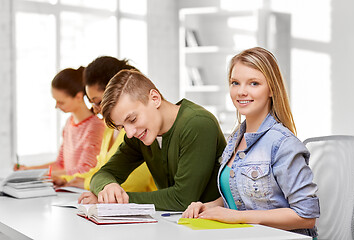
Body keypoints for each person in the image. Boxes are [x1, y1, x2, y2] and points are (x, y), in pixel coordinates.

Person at [182, 47, 320, 238]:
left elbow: (306, 216)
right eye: (235, 83)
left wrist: (238, 217)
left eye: (254, 83)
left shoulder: (282, 143)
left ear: (272, 89)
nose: (241, 91)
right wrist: (206, 207)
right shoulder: (235, 139)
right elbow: (240, 196)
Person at [78, 69, 226, 211]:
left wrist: (117, 201)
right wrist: (108, 187)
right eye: (122, 126)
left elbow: (182, 199)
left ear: (155, 98)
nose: (129, 133)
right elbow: (103, 174)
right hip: (175, 224)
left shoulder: (198, 124)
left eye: (132, 119)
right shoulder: (139, 134)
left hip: (213, 228)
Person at [53, 56, 156, 193]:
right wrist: (67, 179)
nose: (95, 110)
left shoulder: (138, 129)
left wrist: (87, 183)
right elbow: (101, 171)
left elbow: (133, 183)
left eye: (98, 102)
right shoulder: (109, 128)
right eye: (91, 103)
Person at [15, 67, 105, 177]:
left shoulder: (95, 126)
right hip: (65, 187)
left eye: (61, 102)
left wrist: (43, 175)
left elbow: (85, 169)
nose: (56, 106)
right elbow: (60, 164)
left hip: (78, 188)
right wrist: (28, 170)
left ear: (78, 96)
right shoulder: (69, 122)